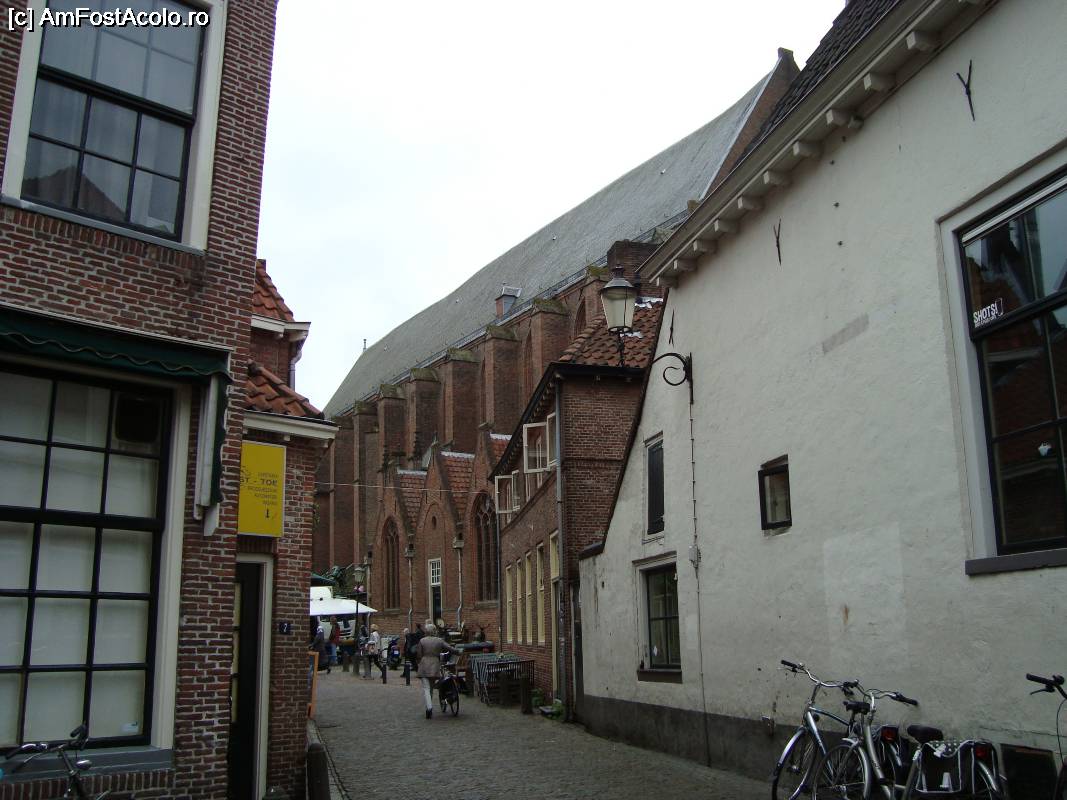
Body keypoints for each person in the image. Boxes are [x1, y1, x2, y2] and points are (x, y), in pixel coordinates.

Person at [415, 623, 454, 719]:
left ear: (426, 631)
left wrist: (419, 662)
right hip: (435, 665)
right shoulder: (439, 640)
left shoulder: (422, 641)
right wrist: (458, 651)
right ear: (434, 631)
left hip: (424, 665)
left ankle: (429, 708)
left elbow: (419, 654)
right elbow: (449, 648)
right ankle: (429, 707)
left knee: (426, 688)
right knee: (431, 688)